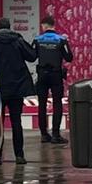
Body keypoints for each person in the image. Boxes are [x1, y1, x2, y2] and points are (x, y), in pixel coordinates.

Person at [0, 18, 36, 163]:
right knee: (16, 122)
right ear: (10, 27)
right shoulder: (17, 40)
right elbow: (32, 57)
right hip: (16, 88)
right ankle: (19, 155)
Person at [33, 15, 72, 144]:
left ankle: (44, 134)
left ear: (44, 25)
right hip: (56, 75)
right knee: (57, 104)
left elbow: (32, 56)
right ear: (53, 25)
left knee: (42, 105)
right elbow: (69, 58)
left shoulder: (38, 39)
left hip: (42, 75)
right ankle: (56, 134)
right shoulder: (61, 39)